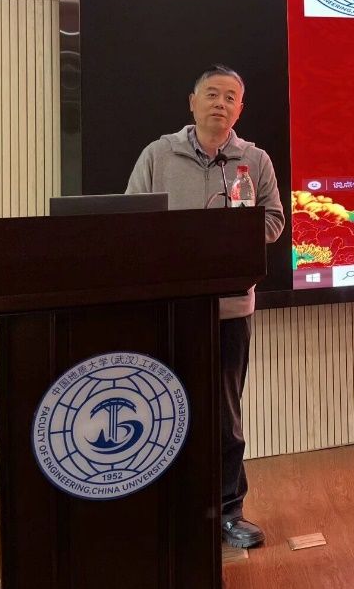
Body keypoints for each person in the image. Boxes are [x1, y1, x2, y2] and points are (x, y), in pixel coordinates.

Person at [125, 64, 284, 549]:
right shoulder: (158, 154)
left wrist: (230, 237)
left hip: (230, 309)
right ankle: (172, 512)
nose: (221, 103)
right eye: (212, 94)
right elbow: (130, 218)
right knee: (165, 410)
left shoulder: (254, 160)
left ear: (240, 108)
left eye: (231, 97)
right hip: (170, 306)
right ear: (192, 102)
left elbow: (274, 221)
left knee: (224, 416)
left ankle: (229, 511)